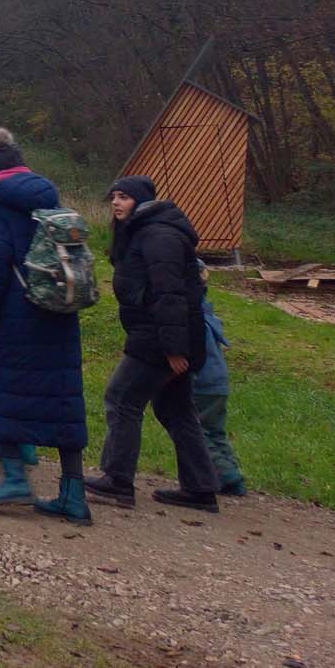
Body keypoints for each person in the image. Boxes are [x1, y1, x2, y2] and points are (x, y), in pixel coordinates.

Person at [0, 129, 90, 520]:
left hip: (17, 318)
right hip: (57, 313)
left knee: (3, 394)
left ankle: (16, 479)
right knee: (64, 401)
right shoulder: (49, 199)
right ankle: (74, 493)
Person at [85, 176, 221, 514]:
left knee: (122, 398)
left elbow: (172, 294)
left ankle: (118, 481)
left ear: (141, 201)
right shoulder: (144, 232)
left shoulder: (158, 236)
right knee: (176, 409)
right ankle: (200, 488)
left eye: (124, 197)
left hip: (160, 337)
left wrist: (175, 348)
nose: (116, 203)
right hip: (159, 333)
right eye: (114, 196)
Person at [192, 271, 247, 497]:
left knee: (198, 432)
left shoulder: (195, 321)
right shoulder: (209, 315)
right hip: (219, 384)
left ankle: (225, 474)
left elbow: (196, 354)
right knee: (216, 432)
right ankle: (234, 477)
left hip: (203, 385)